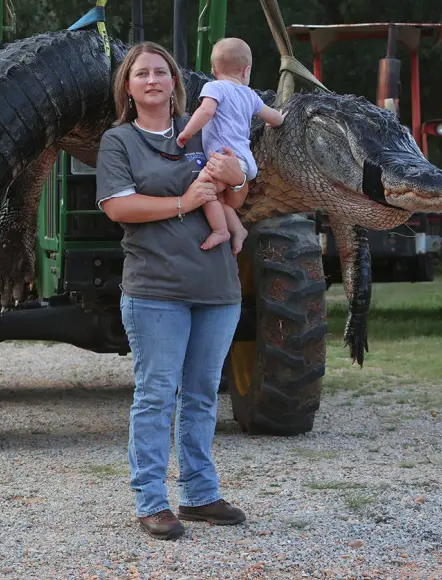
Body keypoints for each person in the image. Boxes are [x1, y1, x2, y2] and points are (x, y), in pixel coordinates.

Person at [95, 41, 250, 541]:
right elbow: (119, 207)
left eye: (161, 72)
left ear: (175, 82)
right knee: (157, 395)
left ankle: (201, 495)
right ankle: (151, 502)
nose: (153, 80)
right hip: (156, 288)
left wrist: (237, 178)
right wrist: (184, 202)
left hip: (217, 285)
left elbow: (236, 194)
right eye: (142, 73)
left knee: (203, 394)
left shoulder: (203, 131)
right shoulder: (119, 142)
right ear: (128, 85)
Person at [176, 37, 285, 255]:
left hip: (222, 160)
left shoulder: (214, 87)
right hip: (244, 162)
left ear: (214, 70)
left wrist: (187, 133)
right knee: (220, 199)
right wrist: (283, 117)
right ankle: (238, 229)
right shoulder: (250, 95)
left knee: (205, 191)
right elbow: (273, 118)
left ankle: (220, 230)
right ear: (246, 70)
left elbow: (205, 112)